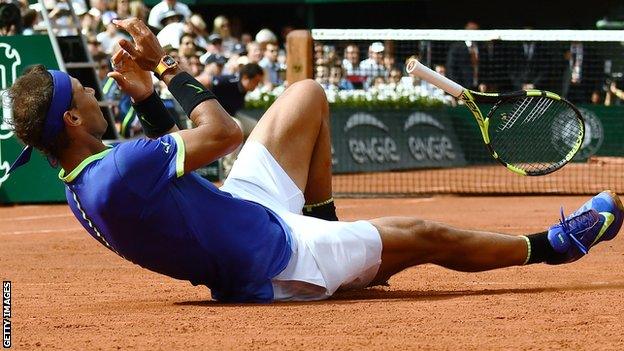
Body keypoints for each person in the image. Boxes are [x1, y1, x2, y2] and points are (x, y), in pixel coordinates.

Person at [8, 18, 624, 303]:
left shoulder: (89, 178)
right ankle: (552, 244)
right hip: (271, 261)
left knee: (305, 95)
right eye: (82, 91)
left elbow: (174, 166)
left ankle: (332, 229)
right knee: (423, 234)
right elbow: (218, 133)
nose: (91, 90)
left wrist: (145, 99)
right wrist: (166, 67)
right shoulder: (115, 172)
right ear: (70, 118)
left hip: (244, 214)